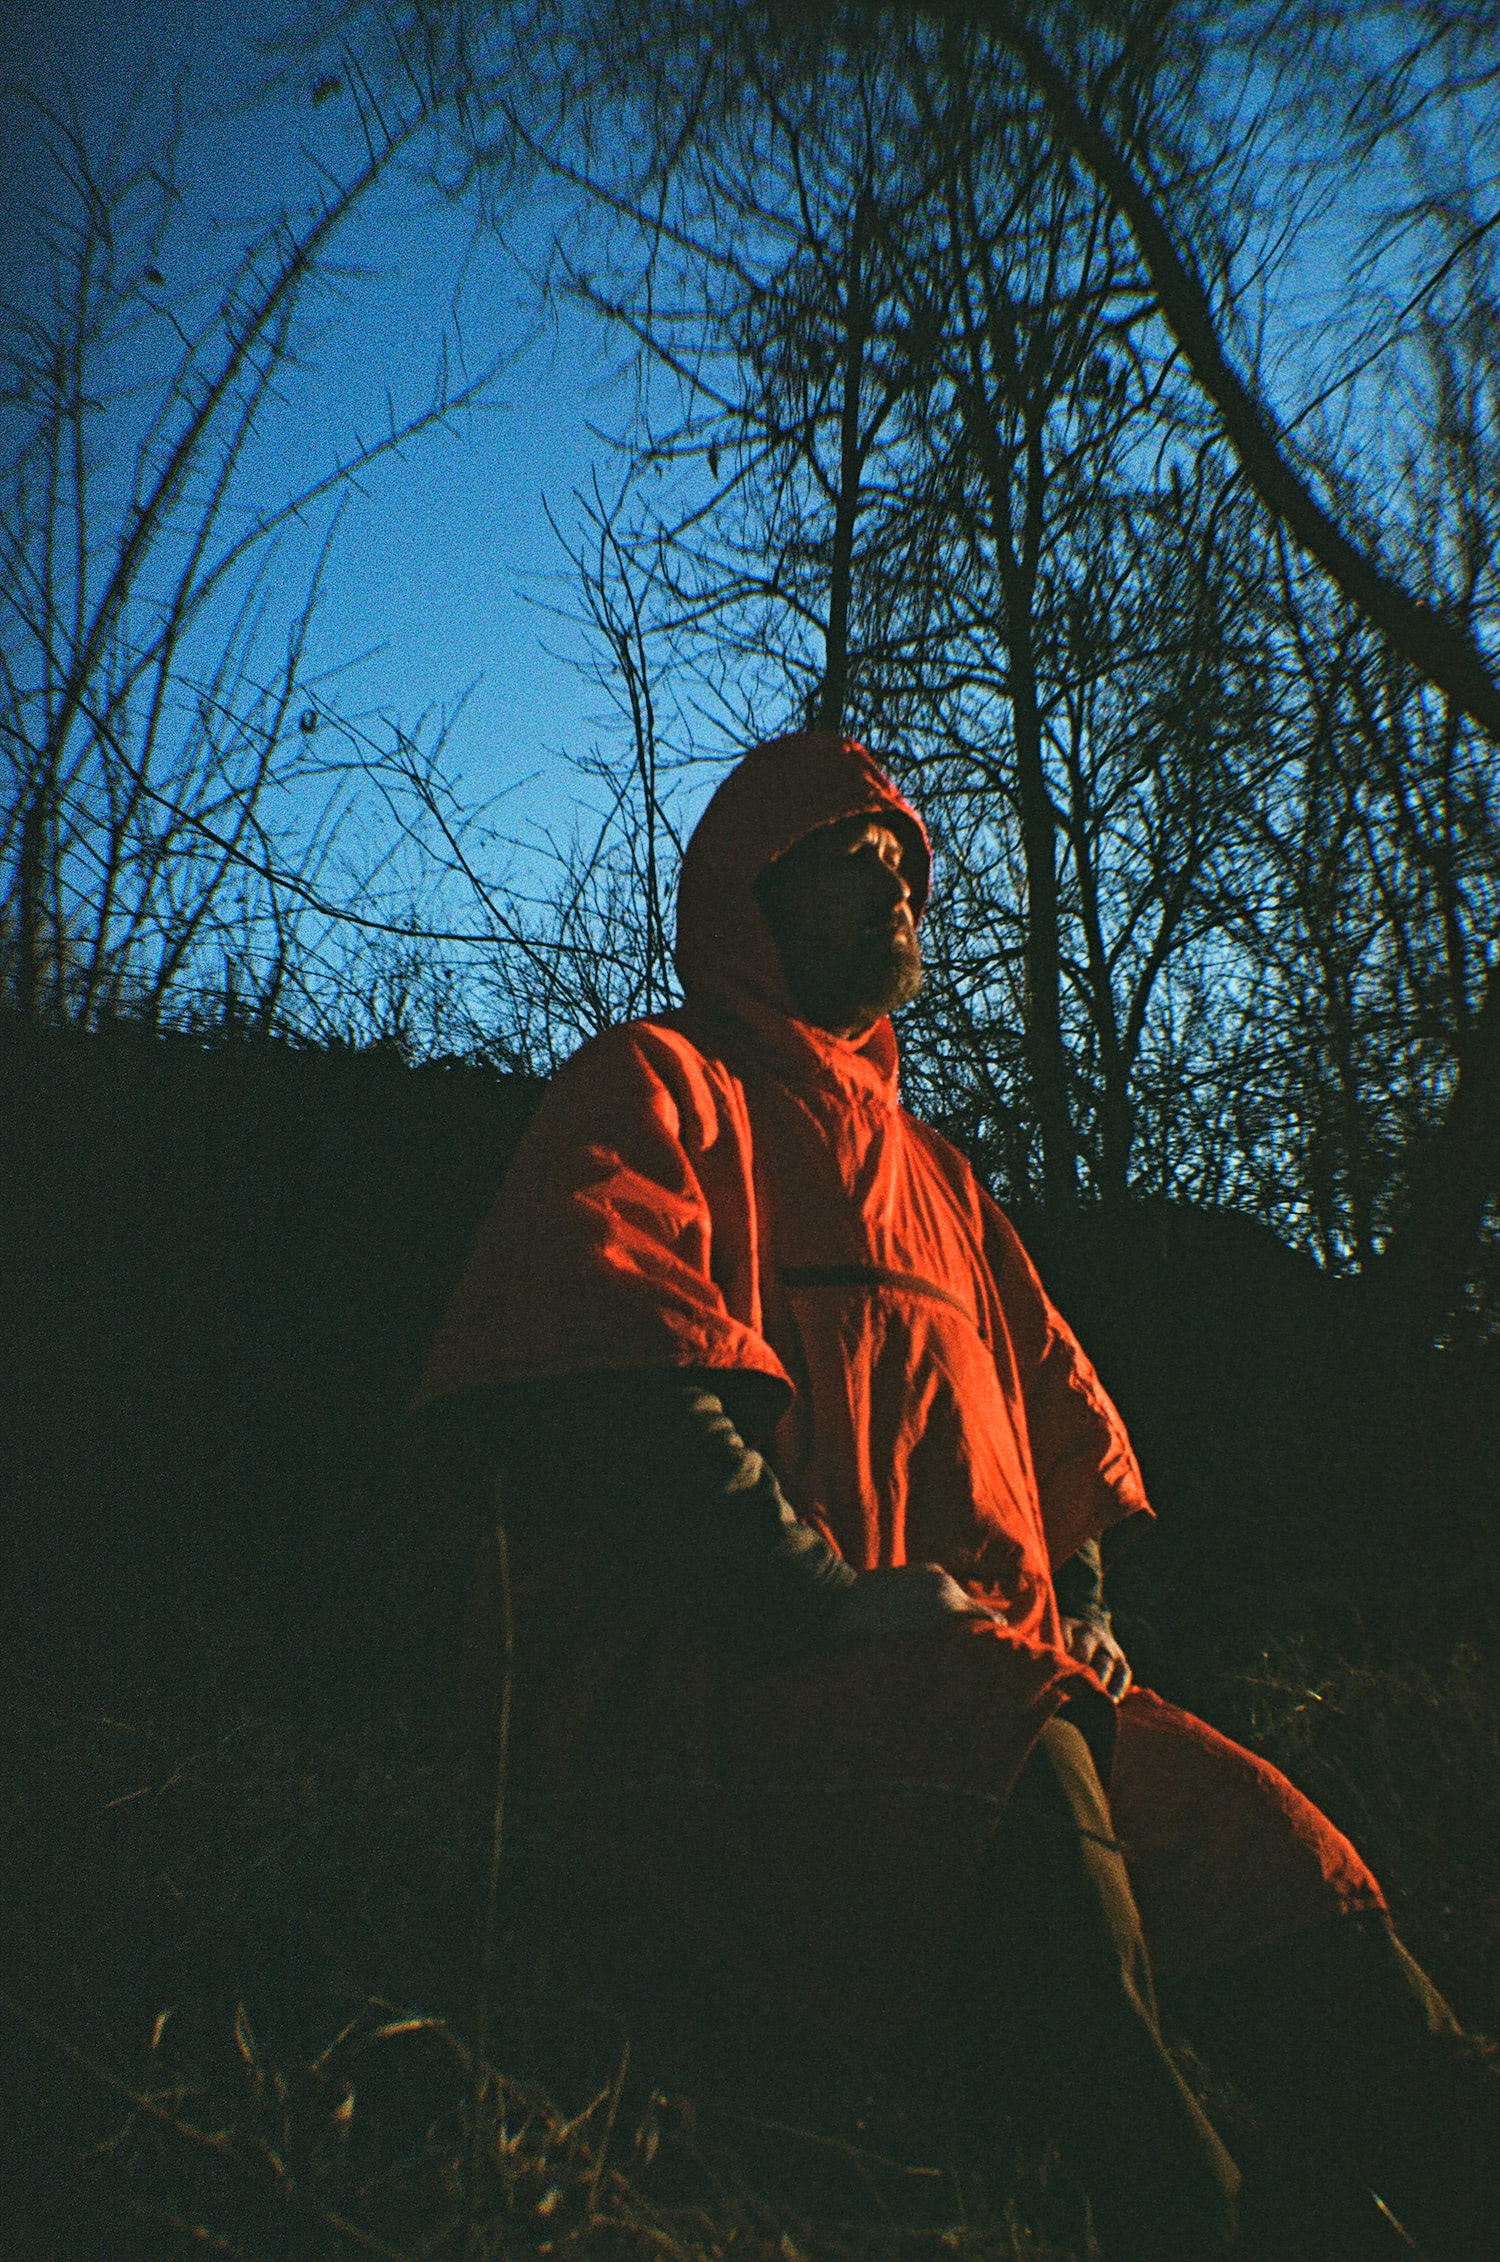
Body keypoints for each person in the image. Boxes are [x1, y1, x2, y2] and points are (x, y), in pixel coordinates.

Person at [415, 733, 1495, 2260]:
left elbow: (1065, 1438)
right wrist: (816, 1595)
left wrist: (1097, 1614)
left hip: (999, 1696)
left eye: (907, 877)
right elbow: (612, 1381)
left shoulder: (949, 1186)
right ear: (750, 897)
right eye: (851, 870)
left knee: (1271, 1850)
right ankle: (1187, 2205)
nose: (897, 899)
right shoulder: (659, 1086)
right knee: (1014, 1762)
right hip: (716, 1690)